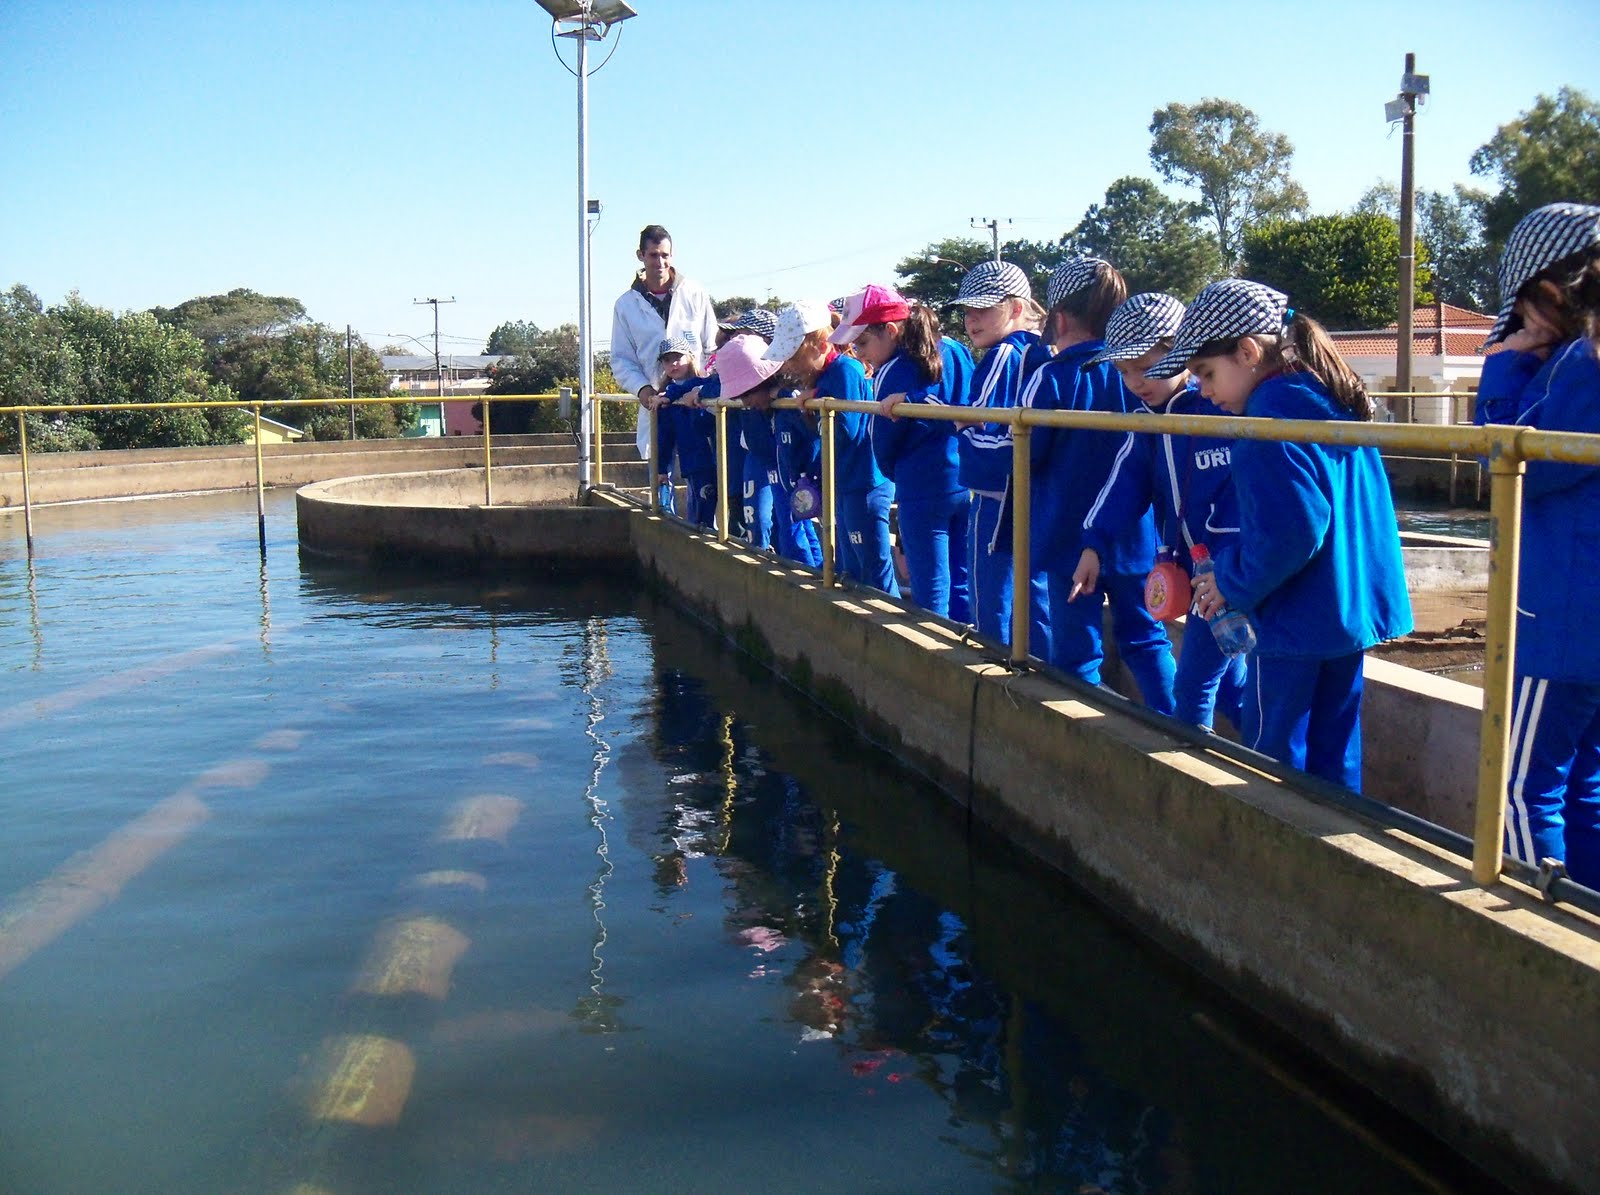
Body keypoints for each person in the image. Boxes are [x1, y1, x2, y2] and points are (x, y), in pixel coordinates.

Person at [1148, 279, 1412, 792]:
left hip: (1296, 622)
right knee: (1336, 753)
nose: (1202, 390)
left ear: (1247, 352)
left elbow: (1291, 535)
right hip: (1348, 614)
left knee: (1275, 757)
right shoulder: (1328, 400)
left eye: (1206, 373)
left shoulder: (1263, 428)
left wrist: (1230, 580)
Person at [1473, 202, 1600, 887]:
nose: (1522, 325)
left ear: (1554, 288)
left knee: (1523, 787)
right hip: (1586, 624)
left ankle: (1527, 924)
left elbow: (1515, 462)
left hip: (1562, 621)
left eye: (1524, 309)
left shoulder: (1583, 363)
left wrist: (1505, 367)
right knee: (1587, 786)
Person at [1071, 292, 1247, 732]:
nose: (1135, 381)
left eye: (1146, 366)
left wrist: (1234, 563)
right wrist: (1094, 543)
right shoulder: (1147, 421)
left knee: (1195, 683)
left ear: (1182, 355)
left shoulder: (1217, 410)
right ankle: (1256, 753)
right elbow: (1123, 486)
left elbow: (1248, 495)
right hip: (1198, 571)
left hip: (1229, 571)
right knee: (1232, 680)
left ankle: (1191, 762)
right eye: (1124, 370)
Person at [1025, 259, 1175, 713]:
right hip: (1135, 536)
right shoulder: (1137, 372)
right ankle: (1184, 729)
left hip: (1067, 539)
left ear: (1059, 319)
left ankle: (1089, 739)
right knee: (1147, 640)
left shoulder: (1051, 377)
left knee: (1076, 656)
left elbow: (1025, 452)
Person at [837, 284, 973, 621]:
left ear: (891, 331)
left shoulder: (893, 371)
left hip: (918, 486)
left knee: (931, 586)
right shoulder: (956, 350)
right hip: (964, 477)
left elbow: (882, 442)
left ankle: (936, 660)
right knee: (963, 580)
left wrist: (897, 471)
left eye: (863, 343)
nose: (860, 353)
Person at [767, 300, 898, 595]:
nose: (787, 366)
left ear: (818, 343)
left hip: (865, 482)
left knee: (874, 568)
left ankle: (893, 625)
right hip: (847, 481)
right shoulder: (829, 375)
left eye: (792, 356)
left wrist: (812, 408)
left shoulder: (844, 370)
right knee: (849, 569)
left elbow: (845, 431)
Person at [951, 260, 1050, 646]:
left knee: (990, 594)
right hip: (1031, 494)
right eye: (967, 310)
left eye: (983, 309)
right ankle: (1040, 673)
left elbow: (980, 426)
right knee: (1034, 595)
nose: (971, 319)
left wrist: (960, 428)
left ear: (1015, 308)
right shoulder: (1038, 350)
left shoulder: (1004, 355)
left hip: (998, 497)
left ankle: (997, 668)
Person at [609, 225, 720, 506]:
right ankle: (666, 526)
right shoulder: (625, 305)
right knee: (661, 477)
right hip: (657, 402)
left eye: (665, 255)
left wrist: (705, 388)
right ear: (641, 256)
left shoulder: (694, 293)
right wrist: (643, 390)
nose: (660, 262)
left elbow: (713, 346)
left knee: (703, 477)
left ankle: (703, 531)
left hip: (695, 401)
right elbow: (622, 359)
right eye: (653, 255)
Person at [657, 331, 717, 528]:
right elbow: (665, 436)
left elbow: (701, 384)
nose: (673, 364)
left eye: (678, 358)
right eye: (667, 360)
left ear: (690, 358)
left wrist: (673, 394)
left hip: (715, 458)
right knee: (698, 513)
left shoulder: (704, 386)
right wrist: (662, 469)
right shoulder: (666, 400)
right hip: (693, 463)